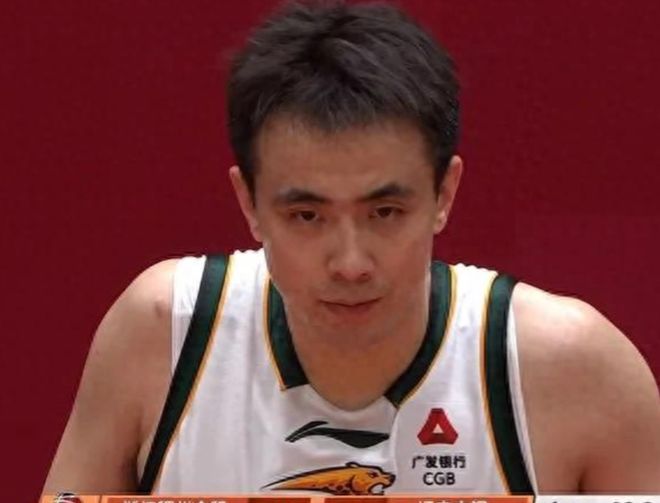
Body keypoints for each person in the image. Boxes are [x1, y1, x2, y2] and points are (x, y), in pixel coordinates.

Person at [43, 0, 660, 497]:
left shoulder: (575, 373)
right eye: (306, 216)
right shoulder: (163, 335)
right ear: (248, 203)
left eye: (384, 212)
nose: (350, 263)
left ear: (444, 193)